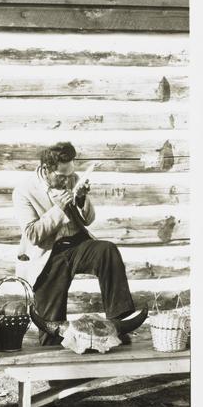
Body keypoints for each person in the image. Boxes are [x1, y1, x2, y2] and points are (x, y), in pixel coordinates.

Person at [12, 141, 148, 346]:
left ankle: (118, 324)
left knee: (107, 251)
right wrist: (58, 209)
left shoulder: (72, 178)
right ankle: (59, 372)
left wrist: (83, 199)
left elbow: (88, 220)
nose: (68, 180)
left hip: (77, 245)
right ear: (46, 169)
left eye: (70, 175)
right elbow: (32, 235)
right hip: (48, 254)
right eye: (61, 176)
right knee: (50, 327)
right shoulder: (24, 190)